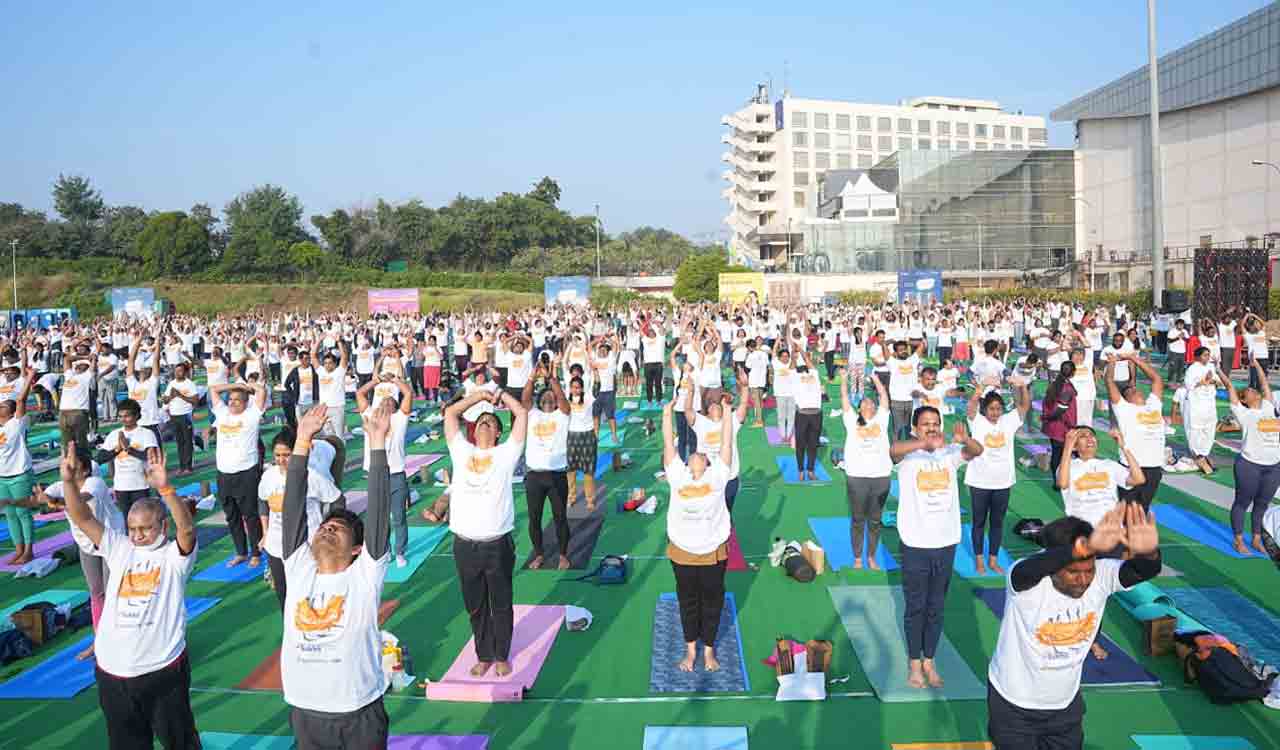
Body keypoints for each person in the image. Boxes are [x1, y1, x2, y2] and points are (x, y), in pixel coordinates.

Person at [987, 505, 1162, 749]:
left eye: (1088, 570)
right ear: (1054, 563)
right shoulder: (1026, 580)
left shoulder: (1101, 575)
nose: (1083, 580)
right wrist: (1087, 546)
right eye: (1072, 572)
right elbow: (1030, 569)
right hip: (1014, 706)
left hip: (1065, 707)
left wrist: (1149, 553)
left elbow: (1145, 569)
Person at [61, 441, 200, 750]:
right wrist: (69, 482)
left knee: (180, 741)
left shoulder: (173, 557)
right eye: (133, 528)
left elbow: (187, 531)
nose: (137, 535)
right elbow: (83, 518)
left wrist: (166, 490)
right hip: (112, 673)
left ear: (162, 527)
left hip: (161, 669)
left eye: (145, 529)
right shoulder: (120, 547)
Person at [279, 403, 393, 749]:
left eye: (339, 528)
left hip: (357, 711)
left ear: (358, 549)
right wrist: (301, 441)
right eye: (325, 525)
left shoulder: (365, 575)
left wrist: (376, 442)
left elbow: (378, 511)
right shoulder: (298, 566)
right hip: (306, 711)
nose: (327, 529)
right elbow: (294, 505)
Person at [890, 405, 983, 689]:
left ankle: (929, 660)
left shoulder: (949, 455)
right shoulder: (908, 457)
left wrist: (964, 439)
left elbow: (977, 451)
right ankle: (914, 663)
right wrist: (923, 443)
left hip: (945, 542)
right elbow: (893, 450)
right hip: (916, 543)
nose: (931, 427)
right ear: (916, 428)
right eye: (925, 424)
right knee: (915, 606)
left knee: (936, 606)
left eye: (935, 423)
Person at [444, 386, 528, 677]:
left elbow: (521, 413)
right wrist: (478, 396)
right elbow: (451, 412)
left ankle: (502, 654)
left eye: (491, 422)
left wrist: (499, 395)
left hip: (497, 542)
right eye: (481, 420)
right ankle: (483, 654)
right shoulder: (461, 450)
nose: (484, 423)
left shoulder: (506, 454)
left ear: (498, 434)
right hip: (465, 543)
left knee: (501, 602)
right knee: (475, 605)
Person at [661, 393, 734, 673]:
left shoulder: (718, 476)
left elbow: (727, 442)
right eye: (693, 454)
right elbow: (669, 443)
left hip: (713, 550)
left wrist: (727, 412)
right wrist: (668, 414)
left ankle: (709, 650)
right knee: (688, 601)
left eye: (701, 455)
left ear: (707, 462)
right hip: (682, 550)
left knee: (713, 601)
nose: (697, 455)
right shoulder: (677, 475)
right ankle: (691, 649)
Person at [37, 452, 123, 660]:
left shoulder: (95, 483)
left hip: (111, 540)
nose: (68, 468)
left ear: (85, 469)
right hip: (86, 544)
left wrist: (56, 503)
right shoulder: (62, 485)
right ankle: (99, 641)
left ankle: (119, 640)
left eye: (72, 465)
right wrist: (43, 497)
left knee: (113, 592)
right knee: (96, 593)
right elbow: (42, 497)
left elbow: (80, 501)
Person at [258, 427, 340, 611]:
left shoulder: (312, 477)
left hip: (308, 544)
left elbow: (336, 499)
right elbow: (262, 500)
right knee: (283, 592)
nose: (281, 460)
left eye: (286, 455)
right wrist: (265, 532)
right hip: (276, 545)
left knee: (309, 591)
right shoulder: (268, 476)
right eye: (277, 455)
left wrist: (330, 528)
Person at [965, 381, 1031, 575]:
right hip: (979, 481)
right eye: (991, 409)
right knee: (978, 521)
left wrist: (1023, 385)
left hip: (1002, 482)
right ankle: (979, 560)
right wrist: (978, 392)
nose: (995, 412)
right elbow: (970, 409)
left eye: (998, 409)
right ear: (984, 410)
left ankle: (993, 560)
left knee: (997, 522)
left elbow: (1024, 406)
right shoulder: (977, 421)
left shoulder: (1008, 422)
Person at [1220, 358, 1280, 555]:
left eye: (1254, 390)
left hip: (1273, 466)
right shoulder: (1243, 413)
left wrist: (1256, 364)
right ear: (1244, 400)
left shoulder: (1269, 408)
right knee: (1242, 502)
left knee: (1262, 504)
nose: (1254, 391)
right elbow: (1229, 386)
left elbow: (1264, 383)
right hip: (1249, 465)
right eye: (1249, 392)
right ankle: (1238, 540)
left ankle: (1256, 538)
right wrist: (1219, 371)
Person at [355, 375, 413, 567]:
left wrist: (396, 380)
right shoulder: (370, 415)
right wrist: (377, 380)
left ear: (395, 408)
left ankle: (400, 551)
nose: (386, 402)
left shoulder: (399, 419)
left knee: (398, 517)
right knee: (379, 517)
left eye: (391, 401)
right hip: (376, 474)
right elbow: (360, 393)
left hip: (396, 474)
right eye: (384, 400)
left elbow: (408, 393)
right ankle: (384, 550)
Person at [210, 380, 268, 568]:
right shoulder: (221, 414)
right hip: (224, 473)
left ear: (245, 403)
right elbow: (214, 389)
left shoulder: (251, 415)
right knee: (231, 515)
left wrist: (246, 388)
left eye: (237, 400)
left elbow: (261, 391)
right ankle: (241, 552)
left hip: (246, 473)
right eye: (231, 400)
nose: (233, 402)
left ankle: (256, 552)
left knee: (250, 515)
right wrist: (234, 386)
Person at [521, 357, 572, 570]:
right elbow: (525, 399)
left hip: (556, 475)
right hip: (534, 475)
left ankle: (562, 555)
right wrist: (532, 377)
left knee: (560, 517)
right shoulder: (532, 415)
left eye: (553, 399)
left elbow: (563, 401)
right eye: (546, 399)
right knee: (535, 519)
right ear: (540, 402)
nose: (550, 401)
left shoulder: (562, 416)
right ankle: (539, 554)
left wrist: (553, 379)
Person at [840, 367, 891, 570]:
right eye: (864, 402)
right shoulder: (852, 420)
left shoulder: (881, 419)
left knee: (875, 520)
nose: (869, 403)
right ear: (859, 408)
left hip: (881, 476)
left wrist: (876, 379)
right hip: (857, 477)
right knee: (858, 519)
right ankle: (858, 558)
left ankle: (871, 556)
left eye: (871, 401)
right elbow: (844, 398)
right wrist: (844, 379)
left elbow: (884, 397)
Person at [1107, 354, 1166, 512]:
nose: (1137, 390)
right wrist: (1112, 364)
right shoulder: (1124, 409)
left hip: (1154, 467)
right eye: (1132, 391)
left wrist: (1134, 359)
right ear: (1126, 399)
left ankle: (1134, 536)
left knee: (1142, 510)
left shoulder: (1153, 405)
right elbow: (1110, 383)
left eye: (1136, 388)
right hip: (1131, 467)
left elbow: (1157, 380)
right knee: (1126, 511)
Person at [686, 375, 748, 513]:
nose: (715, 406)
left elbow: (743, 406)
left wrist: (744, 387)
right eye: (712, 404)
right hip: (707, 478)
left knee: (726, 512)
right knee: (709, 513)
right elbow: (688, 411)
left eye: (718, 404)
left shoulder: (731, 420)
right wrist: (690, 392)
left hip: (729, 478)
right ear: (707, 410)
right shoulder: (701, 422)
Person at [95, 399, 160, 516]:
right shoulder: (114, 434)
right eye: (120, 416)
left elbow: (150, 457)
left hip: (141, 484)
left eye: (127, 416)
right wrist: (117, 450)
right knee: (127, 519)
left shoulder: (146, 433)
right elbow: (100, 458)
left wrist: (129, 449)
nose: (123, 419)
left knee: (142, 517)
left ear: (137, 416)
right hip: (121, 486)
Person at [0, 373, 36, 566]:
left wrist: (29, 377)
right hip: (2, 477)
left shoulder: (17, 423)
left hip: (20, 475)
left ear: (12, 412)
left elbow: (21, 399)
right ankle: (19, 549)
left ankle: (29, 551)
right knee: (10, 514)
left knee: (22, 513)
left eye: (5, 405)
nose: (1, 405)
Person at [1183, 347, 1224, 475]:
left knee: (1209, 428)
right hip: (1196, 404)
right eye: (1205, 355)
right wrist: (1203, 381)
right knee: (1195, 429)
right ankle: (1198, 456)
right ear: (1197, 356)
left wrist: (1212, 380)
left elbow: (1219, 383)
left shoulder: (1211, 367)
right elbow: (1189, 385)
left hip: (1209, 404)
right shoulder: (1192, 369)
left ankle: (1205, 453)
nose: (1207, 357)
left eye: (1208, 355)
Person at [564, 367, 599, 510]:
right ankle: (571, 497)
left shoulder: (589, 397)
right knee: (570, 469)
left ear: (582, 388)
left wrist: (596, 371)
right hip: (572, 436)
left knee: (588, 470)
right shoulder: (566, 399)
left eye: (578, 387)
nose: (575, 390)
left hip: (587, 436)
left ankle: (590, 500)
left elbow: (597, 386)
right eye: (573, 387)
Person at [1041, 362, 1078, 482]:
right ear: (1073, 373)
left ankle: (1056, 479)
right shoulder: (1066, 388)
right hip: (1062, 427)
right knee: (1061, 455)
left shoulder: (1054, 384)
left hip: (1053, 427)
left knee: (1056, 454)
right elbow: (1061, 409)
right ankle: (1059, 480)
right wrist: (1072, 426)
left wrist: (1047, 418)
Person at [793, 350, 824, 481]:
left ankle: (810, 470)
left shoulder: (814, 375)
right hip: (802, 415)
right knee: (800, 444)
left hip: (816, 414)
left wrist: (801, 351)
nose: (805, 369)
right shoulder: (795, 377)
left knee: (813, 444)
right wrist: (794, 356)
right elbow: (792, 367)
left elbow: (809, 362)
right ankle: (801, 470)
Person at [164, 362, 200, 475]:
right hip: (174, 416)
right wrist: (170, 397)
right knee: (179, 442)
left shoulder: (190, 384)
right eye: (176, 371)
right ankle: (182, 466)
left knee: (187, 441)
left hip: (186, 415)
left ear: (185, 372)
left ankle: (188, 467)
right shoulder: (171, 383)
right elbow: (165, 400)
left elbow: (195, 401)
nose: (177, 373)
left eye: (180, 371)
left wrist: (180, 395)